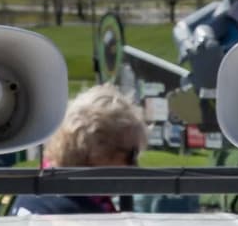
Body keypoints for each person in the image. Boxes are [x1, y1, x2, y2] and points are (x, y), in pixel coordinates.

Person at [11, 83, 143, 215]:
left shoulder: (36, 192)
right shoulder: (80, 216)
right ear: (98, 152)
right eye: (131, 155)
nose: (136, 166)